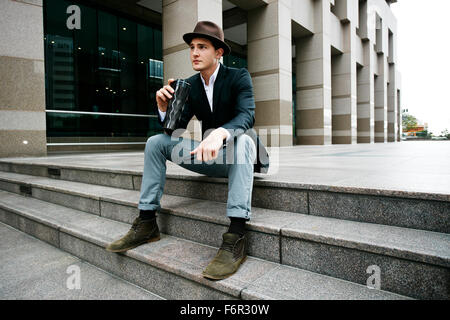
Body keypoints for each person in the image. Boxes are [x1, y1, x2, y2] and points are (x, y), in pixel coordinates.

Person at [106, 21, 268, 280]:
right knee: (155, 142)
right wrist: (162, 107)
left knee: (245, 140)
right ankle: (147, 221)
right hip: (210, 156)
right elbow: (173, 130)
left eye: (202, 47)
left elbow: (247, 116)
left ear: (219, 52)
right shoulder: (190, 85)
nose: (194, 52)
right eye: (192, 47)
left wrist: (219, 133)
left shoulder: (239, 76)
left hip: (241, 156)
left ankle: (236, 234)